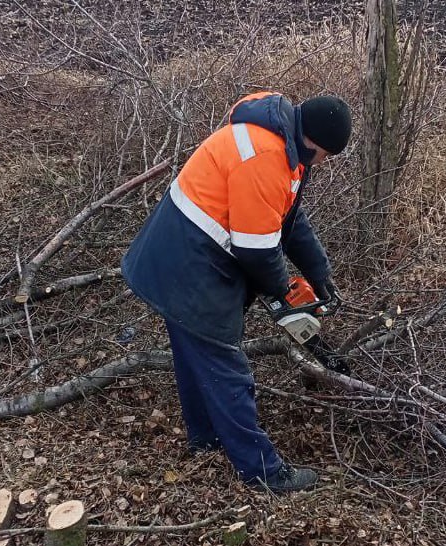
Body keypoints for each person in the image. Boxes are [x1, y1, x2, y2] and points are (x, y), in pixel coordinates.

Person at [121, 91, 352, 493]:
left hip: (179, 253)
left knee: (195, 354)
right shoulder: (265, 157)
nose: (324, 164)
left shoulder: (287, 141)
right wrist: (284, 296)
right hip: (187, 263)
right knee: (226, 366)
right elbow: (257, 250)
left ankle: (206, 437)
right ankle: (262, 471)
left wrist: (318, 269)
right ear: (314, 142)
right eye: (326, 156)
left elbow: (288, 219)